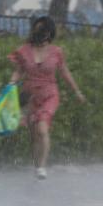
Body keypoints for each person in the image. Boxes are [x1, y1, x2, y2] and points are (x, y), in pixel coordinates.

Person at [8, 16, 86, 180]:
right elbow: (18, 71)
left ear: (49, 33)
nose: (41, 34)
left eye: (44, 31)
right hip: (30, 96)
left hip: (50, 94)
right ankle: (37, 167)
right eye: (38, 30)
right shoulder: (24, 50)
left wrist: (76, 91)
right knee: (34, 134)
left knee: (42, 128)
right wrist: (11, 84)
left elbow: (64, 72)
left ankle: (42, 167)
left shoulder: (56, 52)